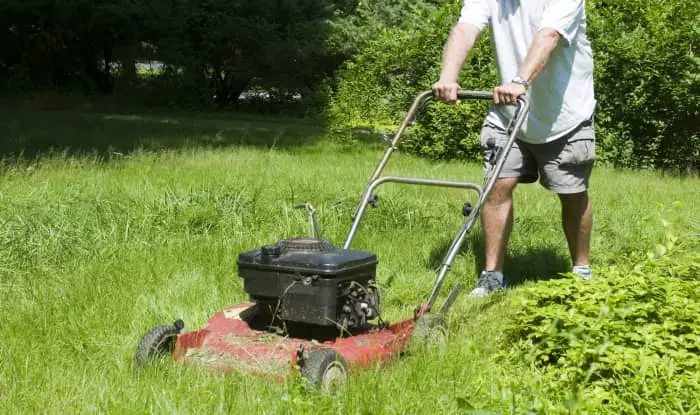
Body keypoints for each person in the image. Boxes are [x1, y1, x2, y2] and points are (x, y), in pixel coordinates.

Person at [432, 0, 596, 297]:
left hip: (564, 115)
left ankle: (581, 269)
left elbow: (549, 35)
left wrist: (520, 81)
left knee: (572, 192)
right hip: (508, 113)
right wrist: (447, 76)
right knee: (496, 187)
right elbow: (465, 28)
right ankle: (492, 276)